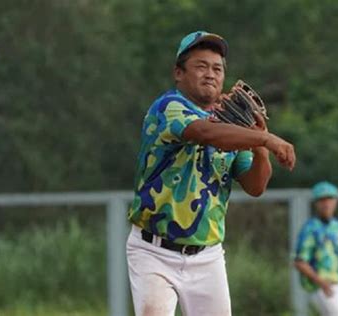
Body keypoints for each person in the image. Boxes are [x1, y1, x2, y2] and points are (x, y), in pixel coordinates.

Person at [126, 30, 296, 316]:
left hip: (207, 255)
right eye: (200, 66)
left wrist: (259, 144)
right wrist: (265, 139)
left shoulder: (233, 129)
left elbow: (255, 186)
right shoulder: (168, 107)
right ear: (178, 73)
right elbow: (204, 132)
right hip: (153, 252)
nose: (210, 74)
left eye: (217, 68)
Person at [294, 181, 338, 316]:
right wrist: (321, 282)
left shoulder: (337, 226)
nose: (326, 203)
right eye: (322, 200)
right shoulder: (311, 228)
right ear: (316, 203)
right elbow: (299, 261)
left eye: (329, 199)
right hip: (323, 285)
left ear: (335, 201)